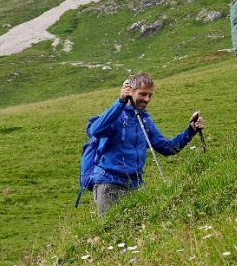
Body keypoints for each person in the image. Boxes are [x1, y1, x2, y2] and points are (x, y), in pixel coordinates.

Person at [87, 73, 204, 216]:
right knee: (112, 233)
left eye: (150, 95)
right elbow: (95, 130)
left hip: (135, 186)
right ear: (130, 91)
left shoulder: (145, 120)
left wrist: (191, 131)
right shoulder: (116, 114)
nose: (147, 99)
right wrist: (120, 102)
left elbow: (167, 148)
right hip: (109, 185)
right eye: (142, 94)